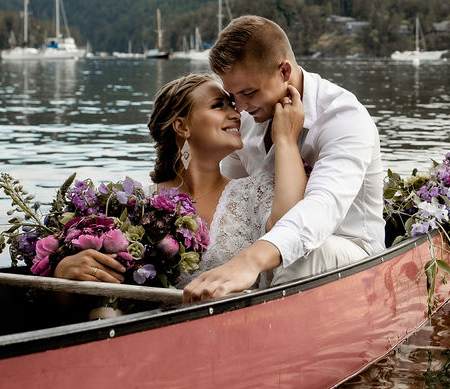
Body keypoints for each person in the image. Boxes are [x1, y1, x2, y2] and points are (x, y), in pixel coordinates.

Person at [183, 15, 385, 303]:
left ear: (284, 71)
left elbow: (320, 209)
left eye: (249, 92)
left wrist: (250, 261)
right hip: (268, 244)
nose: (239, 107)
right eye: (232, 95)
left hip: (352, 256)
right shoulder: (249, 116)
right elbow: (230, 200)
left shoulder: (344, 119)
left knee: (298, 257)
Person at [53, 73, 307, 285]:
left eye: (232, 105)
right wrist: (63, 272)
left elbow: (293, 232)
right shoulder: (134, 205)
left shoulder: (255, 192)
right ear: (182, 126)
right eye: (219, 105)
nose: (236, 114)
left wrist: (285, 139)